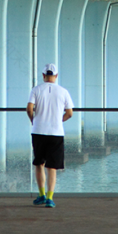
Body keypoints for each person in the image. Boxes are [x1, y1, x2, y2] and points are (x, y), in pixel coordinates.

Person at [27, 63, 74, 208]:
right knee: (52, 167)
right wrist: (59, 120)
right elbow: (70, 113)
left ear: (43, 75)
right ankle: (50, 198)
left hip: (38, 131)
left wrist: (33, 120)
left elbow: (29, 108)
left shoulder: (36, 90)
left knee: (39, 163)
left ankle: (40, 195)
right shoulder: (63, 91)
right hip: (56, 132)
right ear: (56, 76)